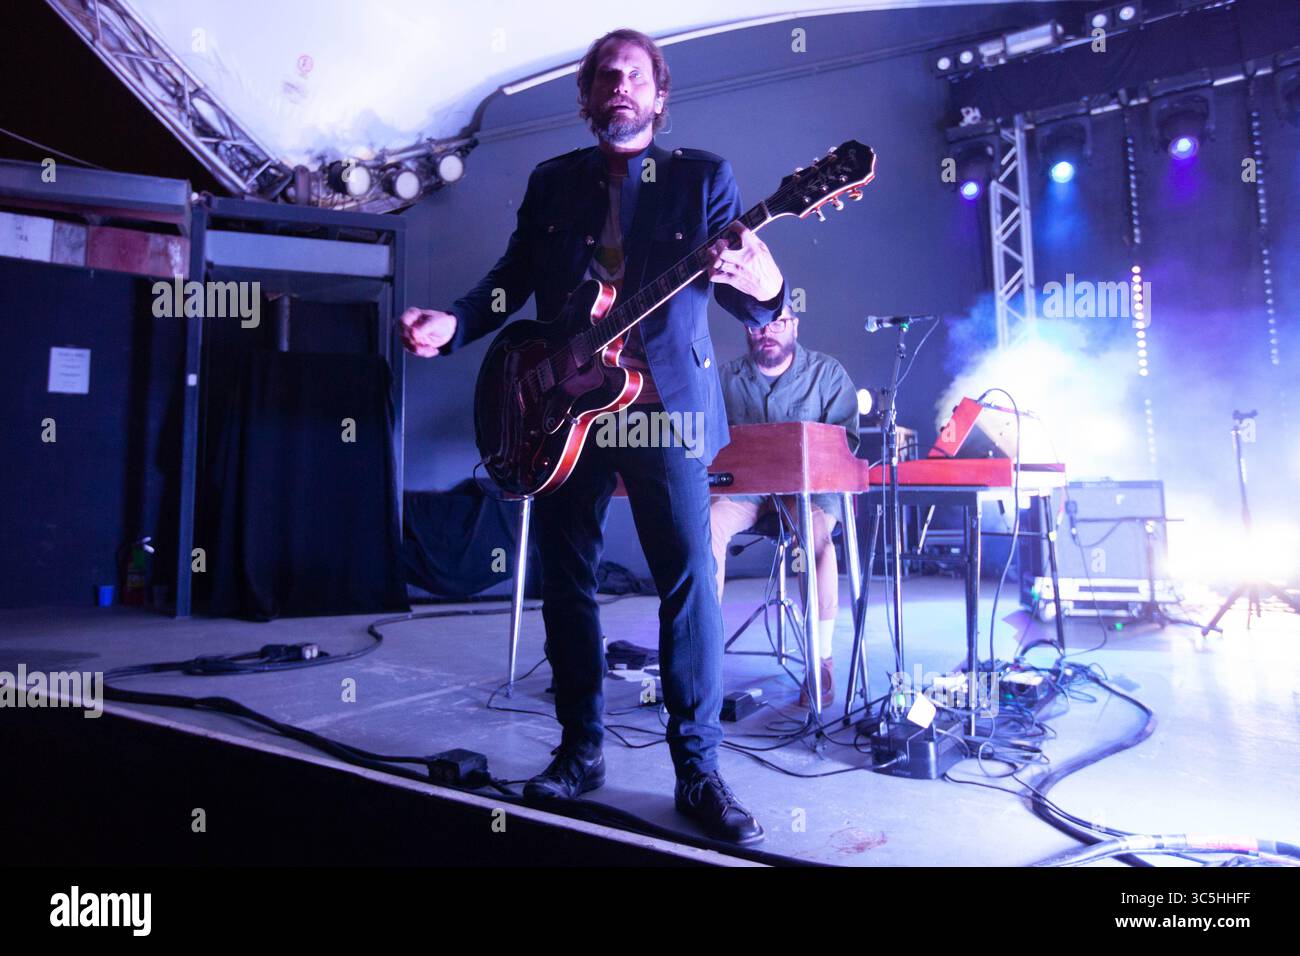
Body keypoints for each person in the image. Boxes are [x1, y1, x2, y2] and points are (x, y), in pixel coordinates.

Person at [399, 28, 789, 845]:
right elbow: (511, 281)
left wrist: (768, 286)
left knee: (686, 579)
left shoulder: (701, 179)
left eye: (635, 75)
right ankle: (580, 751)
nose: (619, 85)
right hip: (562, 403)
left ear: (658, 94)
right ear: (588, 97)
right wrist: (458, 321)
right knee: (564, 577)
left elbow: (743, 293)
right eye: (605, 76)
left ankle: (698, 769)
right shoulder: (554, 183)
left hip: (665, 404)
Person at [710, 305, 860, 708]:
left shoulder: (827, 374)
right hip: (747, 489)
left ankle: (820, 661)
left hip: (807, 489)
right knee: (705, 525)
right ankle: (701, 659)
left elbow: (847, 445)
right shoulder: (726, 379)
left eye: (777, 322)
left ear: (794, 324)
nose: (766, 332)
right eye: (756, 325)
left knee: (813, 539)